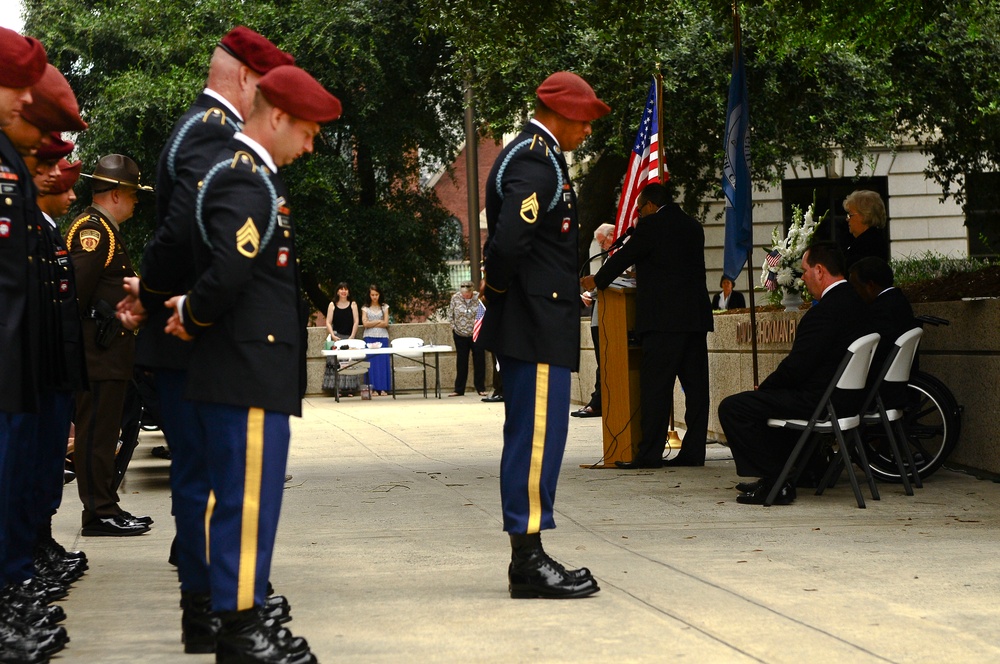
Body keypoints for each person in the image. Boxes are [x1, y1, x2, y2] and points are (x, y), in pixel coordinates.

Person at [114, 27, 297, 653]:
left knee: (210, 478)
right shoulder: (214, 135)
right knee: (210, 479)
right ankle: (217, 609)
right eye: (268, 92)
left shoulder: (200, 130)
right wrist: (158, 299)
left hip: (190, 328)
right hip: (193, 334)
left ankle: (220, 602)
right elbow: (182, 230)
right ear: (246, 80)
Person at [162, 64, 339, 664]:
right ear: (279, 116)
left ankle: (242, 618)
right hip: (245, 367)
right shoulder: (245, 179)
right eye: (308, 132)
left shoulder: (252, 176)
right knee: (245, 503)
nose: (310, 146)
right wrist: (192, 309)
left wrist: (191, 305)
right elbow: (228, 273)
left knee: (245, 500)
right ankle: (239, 628)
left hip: (250, 366)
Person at [479, 71, 609, 599]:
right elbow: (509, 242)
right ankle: (527, 561)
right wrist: (504, 291)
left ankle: (530, 552)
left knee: (542, 438)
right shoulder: (536, 157)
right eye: (585, 120)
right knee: (535, 441)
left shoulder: (542, 156)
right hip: (534, 322)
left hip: (538, 319)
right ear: (561, 113)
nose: (588, 131)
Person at [0, 40, 77, 661]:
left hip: (26, 371)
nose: (27, 101)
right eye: (17, 89)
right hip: (10, 370)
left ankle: (17, 575)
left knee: (22, 473)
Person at [717, 242, 865, 505]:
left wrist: (765, 388)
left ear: (820, 271)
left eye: (805, 270)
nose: (804, 277)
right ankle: (800, 470)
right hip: (847, 398)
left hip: (821, 401)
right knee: (767, 404)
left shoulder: (825, 312)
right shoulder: (857, 303)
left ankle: (777, 479)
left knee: (734, 408)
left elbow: (797, 367)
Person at [583, 183, 714, 468]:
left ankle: (649, 455)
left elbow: (625, 258)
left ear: (652, 205)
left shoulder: (652, 226)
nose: (639, 214)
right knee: (696, 390)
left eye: (640, 208)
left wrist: (598, 280)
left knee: (656, 388)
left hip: (663, 322)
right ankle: (694, 453)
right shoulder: (693, 227)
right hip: (694, 320)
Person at [65, 154, 153, 536]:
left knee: (105, 435)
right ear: (116, 193)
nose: (136, 202)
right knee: (97, 436)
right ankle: (99, 511)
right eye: (133, 195)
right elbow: (73, 298)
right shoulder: (94, 231)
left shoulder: (107, 229)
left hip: (109, 356)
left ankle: (105, 505)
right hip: (96, 356)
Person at [849, 256, 918, 408]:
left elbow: (874, 349)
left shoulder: (881, 309)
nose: (855, 293)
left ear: (870, 285)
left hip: (883, 387)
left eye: (856, 287)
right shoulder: (897, 300)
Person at [572, 223, 614, 418]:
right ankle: (598, 399)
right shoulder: (608, 257)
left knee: (606, 361)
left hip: (612, 316)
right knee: (601, 360)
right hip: (601, 314)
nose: (603, 246)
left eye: (603, 242)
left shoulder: (620, 255)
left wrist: (592, 291)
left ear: (613, 235)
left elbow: (616, 280)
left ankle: (599, 401)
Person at [447, 280, 486, 397]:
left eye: (467, 295)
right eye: (464, 294)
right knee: (461, 361)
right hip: (460, 334)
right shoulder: (455, 298)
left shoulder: (478, 297)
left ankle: (480, 388)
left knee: (479, 360)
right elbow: (450, 314)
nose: (465, 296)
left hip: (476, 333)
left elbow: (483, 312)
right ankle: (459, 389)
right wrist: (454, 327)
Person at [324, 282, 361, 397]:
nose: (343, 291)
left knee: (349, 363)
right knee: (337, 363)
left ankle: (350, 389)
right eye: (341, 289)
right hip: (337, 337)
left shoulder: (353, 304)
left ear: (348, 291)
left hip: (350, 337)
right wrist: (333, 336)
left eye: (346, 289)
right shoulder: (332, 305)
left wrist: (352, 336)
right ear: (337, 291)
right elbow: (328, 322)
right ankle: (337, 389)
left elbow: (356, 321)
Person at [843, 189, 889, 269]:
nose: (847, 219)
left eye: (850, 215)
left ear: (865, 215)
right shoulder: (872, 239)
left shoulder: (868, 244)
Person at [361, 284, 392, 396]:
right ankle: (372, 388)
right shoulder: (365, 308)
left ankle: (383, 388)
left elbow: (386, 323)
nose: (374, 297)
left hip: (383, 336)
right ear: (369, 295)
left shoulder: (385, 307)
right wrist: (378, 321)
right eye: (372, 295)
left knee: (382, 362)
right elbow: (365, 323)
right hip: (369, 337)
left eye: (376, 295)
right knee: (371, 363)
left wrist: (372, 323)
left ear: (380, 295)